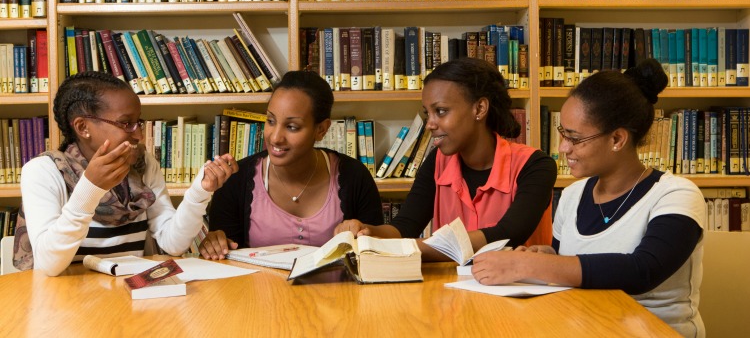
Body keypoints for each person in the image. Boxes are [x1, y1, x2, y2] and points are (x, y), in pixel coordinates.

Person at [471, 59, 705, 337]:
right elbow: (573, 267)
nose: (562, 148)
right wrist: (547, 255)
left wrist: (528, 264)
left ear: (617, 139)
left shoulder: (676, 194)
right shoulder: (570, 196)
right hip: (582, 327)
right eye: (562, 134)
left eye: (574, 138)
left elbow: (642, 271)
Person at [14, 71, 238, 277]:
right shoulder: (43, 171)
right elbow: (48, 265)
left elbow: (173, 244)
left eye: (138, 122)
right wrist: (90, 188)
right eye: (126, 123)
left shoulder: (143, 165)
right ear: (83, 127)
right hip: (67, 305)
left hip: (131, 299)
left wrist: (200, 191)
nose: (139, 135)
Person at [335, 58, 557, 260]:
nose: (430, 124)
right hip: (454, 294)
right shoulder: (437, 162)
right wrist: (368, 233)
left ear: (479, 108)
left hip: (517, 296)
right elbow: (404, 227)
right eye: (427, 114)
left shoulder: (535, 166)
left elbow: (506, 235)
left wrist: (408, 248)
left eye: (440, 111)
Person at [200, 71, 383, 260]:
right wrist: (215, 244)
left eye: (292, 127)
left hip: (338, 290)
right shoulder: (236, 180)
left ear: (321, 129)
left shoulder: (354, 176)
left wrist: (364, 232)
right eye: (270, 121)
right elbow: (226, 261)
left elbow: (378, 254)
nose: (275, 137)